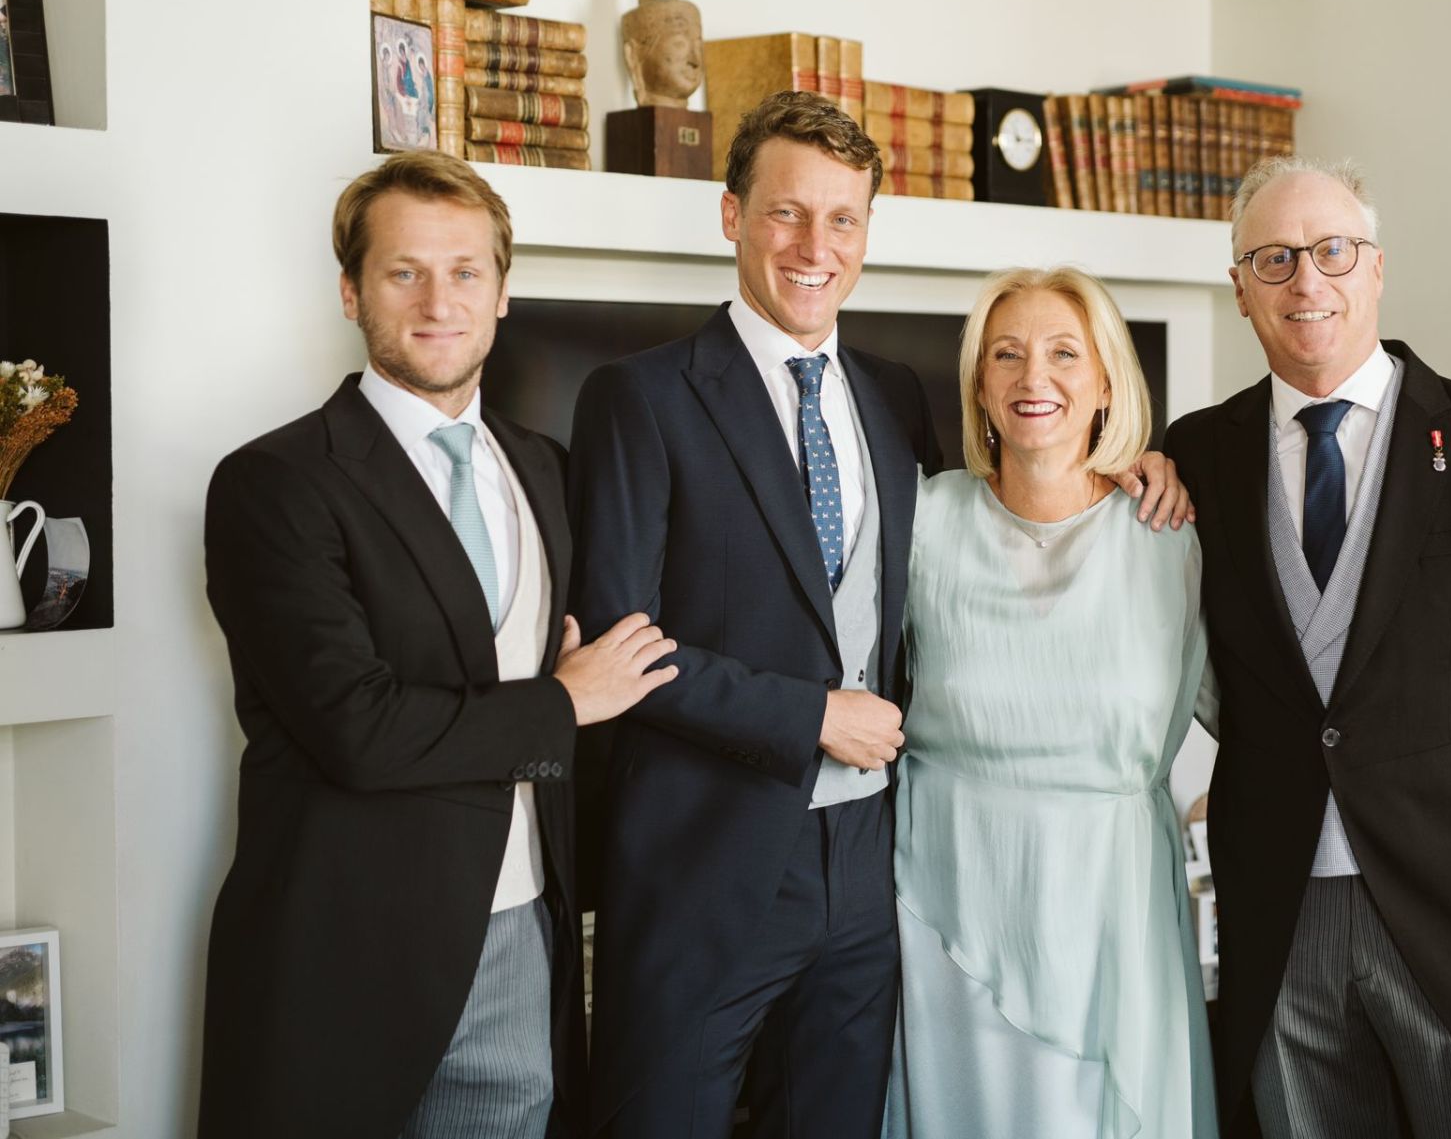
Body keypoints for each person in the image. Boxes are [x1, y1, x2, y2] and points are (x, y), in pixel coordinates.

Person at [568, 91, 1189, 1139]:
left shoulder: (894, 396)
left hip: (876, 873)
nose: (816, 246)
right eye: (786, 213)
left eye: (843, 219)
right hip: (705, 871)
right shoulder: (641, 398)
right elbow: (619, 649)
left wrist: (1133, 468)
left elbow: (981, 564)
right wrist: (811, 713)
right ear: (731, 217)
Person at [198, 151, 679, 1139]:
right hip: (344, 948)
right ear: (349, 291)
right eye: (402, 271)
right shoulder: (274, 484)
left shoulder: (546, 471)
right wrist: (565, 701)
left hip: (521, 935)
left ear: (502, 293)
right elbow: (355, 731)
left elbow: (542, 726)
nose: (437, 301)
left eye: (465, 271)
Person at [1165, 157, 1451, 1139]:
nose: (1306, 282)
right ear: (1239, 289)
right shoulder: (1193, 455)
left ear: (1376, 269)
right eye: (1274, 259)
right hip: (1277, 917)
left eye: (1332, 251)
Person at [885, 268, 1219, 1139]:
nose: (1036, 378)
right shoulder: (919, 521)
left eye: (1065, 353)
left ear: (1106, 382)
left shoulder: (1172, 536)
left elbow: (1256, 711)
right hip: (948, 898)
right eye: (1008, 356)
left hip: (1113, 908)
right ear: (981, 390)